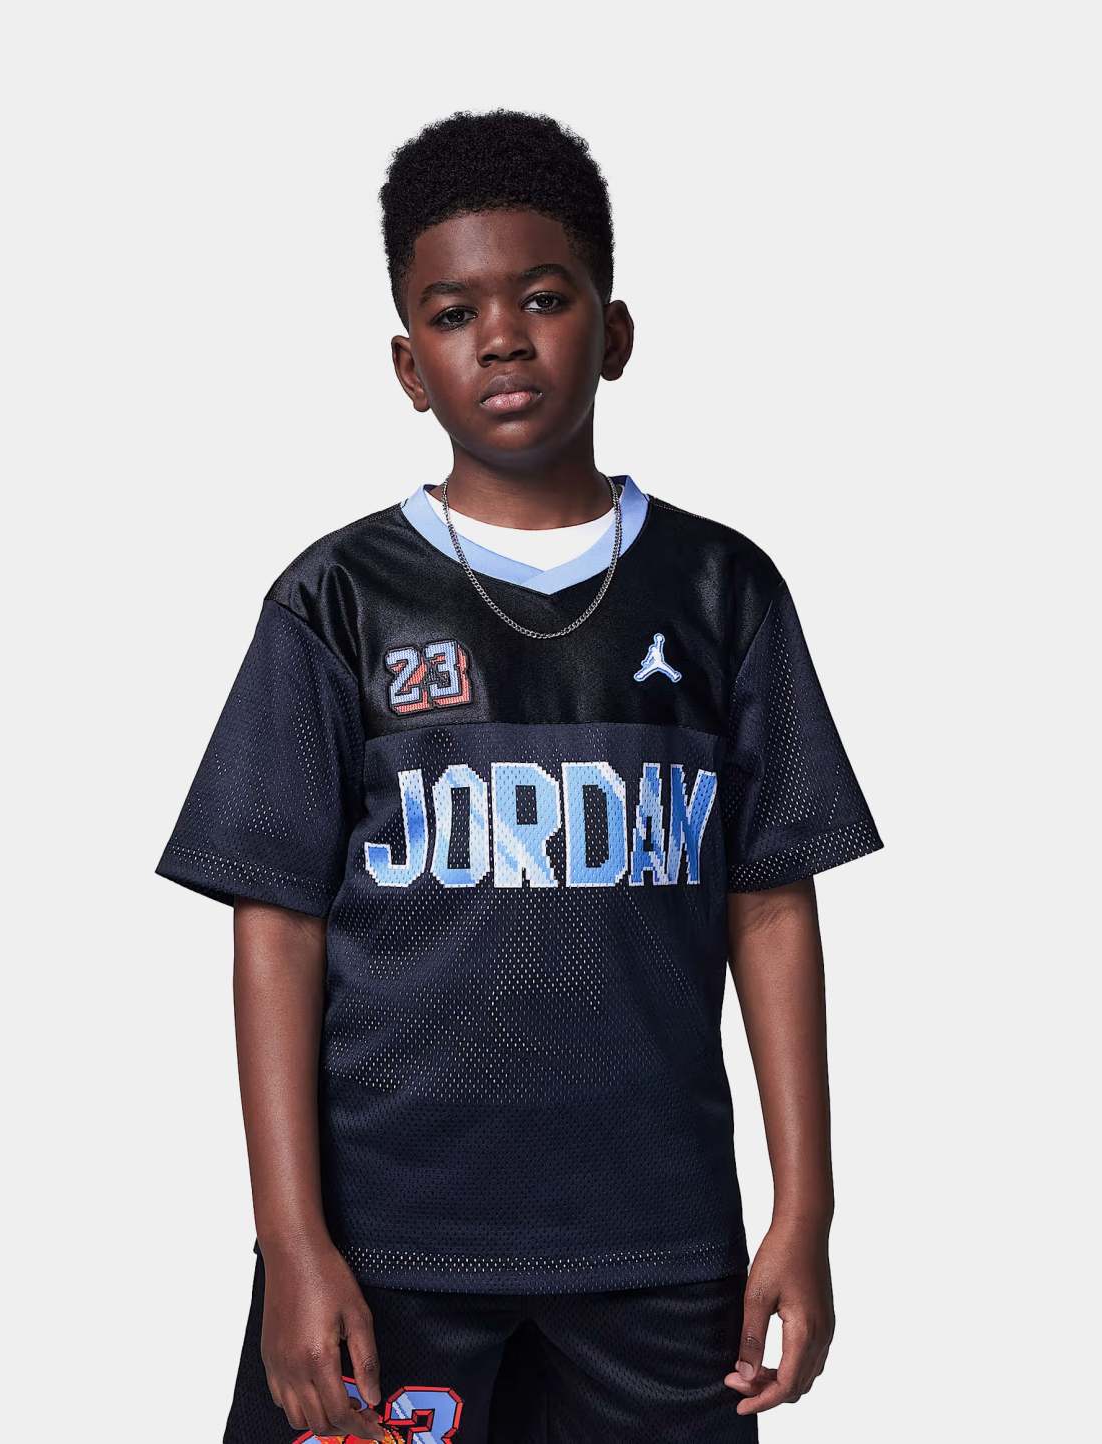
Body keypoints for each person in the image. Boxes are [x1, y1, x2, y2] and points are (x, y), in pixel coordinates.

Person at [156, 108, 884, 1443]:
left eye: (544, 299)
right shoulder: (337, 599)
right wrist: (293, 1243)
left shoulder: (721, 588)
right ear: (408, 364)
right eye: (454, 314)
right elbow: (277, 927)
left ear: (613, 331)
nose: (501, 337)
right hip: (389, 1249)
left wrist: (805, 1211)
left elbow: (773, 904)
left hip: (660, 1246)